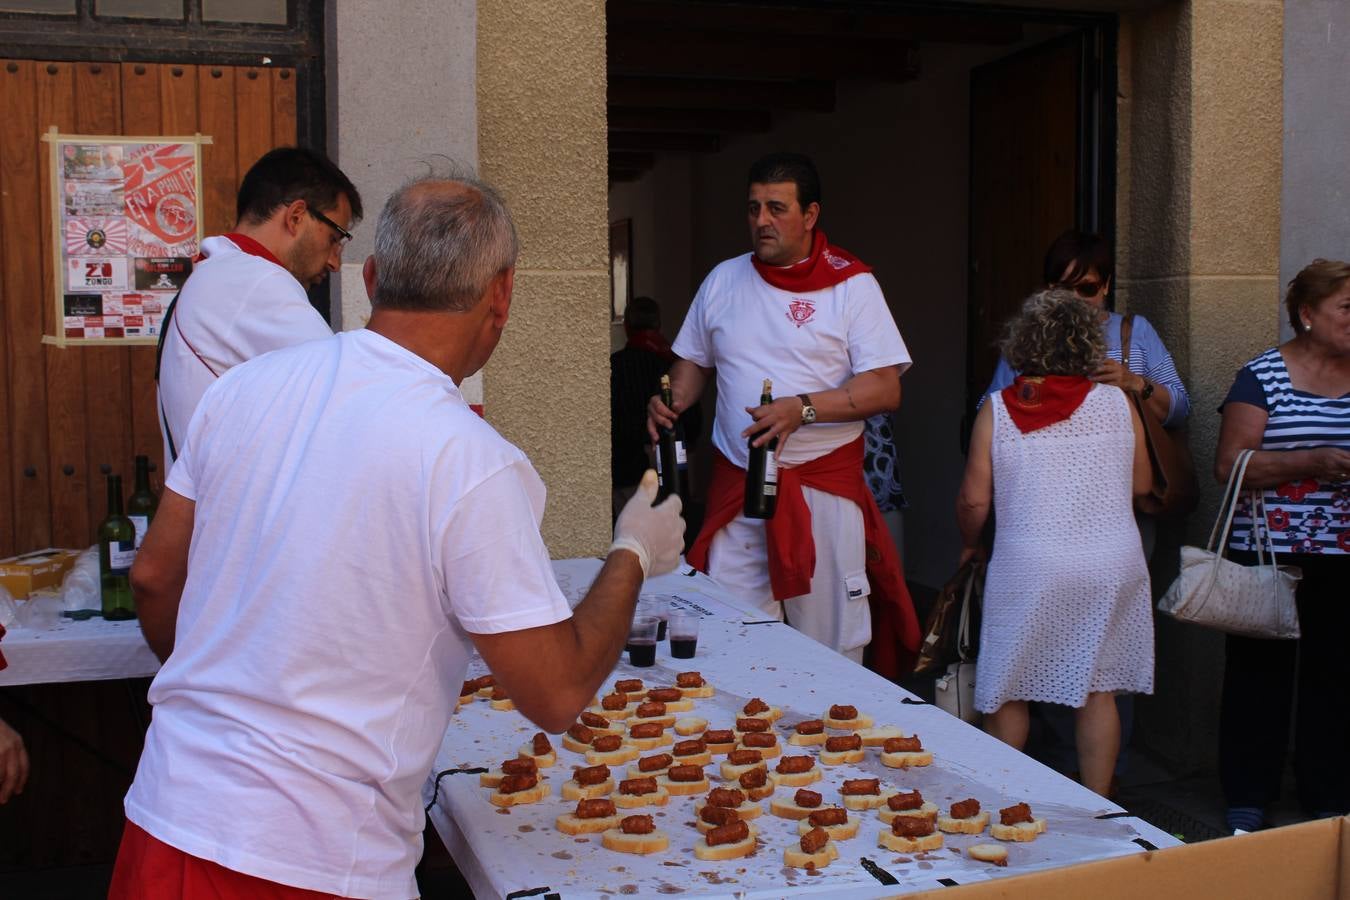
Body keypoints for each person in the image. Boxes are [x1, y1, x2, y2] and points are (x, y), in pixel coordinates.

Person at [111, 175, 685, 899]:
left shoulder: (241, 390)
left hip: (167, 816)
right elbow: (557, 691)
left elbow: (155, 575)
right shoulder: (470, 458)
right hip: (314, 861)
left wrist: (226, 698)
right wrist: (632, 550)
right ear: (502, 295)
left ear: (374, 277)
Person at [648, 152, 919, 672]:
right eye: (753, 209)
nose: (761, 221)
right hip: (740, 488)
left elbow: (885, 389)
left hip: (820, 489)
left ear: (810, 214)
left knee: (833, 644)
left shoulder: (852, 285)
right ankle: (741, 743)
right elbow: (692, 366)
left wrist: (804, 410)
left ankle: (833, 740)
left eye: (776, 208)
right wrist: (670, 400)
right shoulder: (723, 281)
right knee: (727, 634)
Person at [957, 288, 1153, 798]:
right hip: (1112, 562)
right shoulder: (1117, 401)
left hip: (1030, 564)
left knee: (1005, 688)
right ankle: (1100, 805)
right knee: (1098, 689)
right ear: (1087, 344)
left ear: (1021, 345)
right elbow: (1142, 485)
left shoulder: (998, 411)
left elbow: (975, 502)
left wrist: (969, 545)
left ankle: (1002, 802)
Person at [1215, 258, 1350, 834]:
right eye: (1347, 308)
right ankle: (1248, 795)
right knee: (1258, 678)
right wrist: (1311, 462)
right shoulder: (1262, 376)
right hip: (1268, 553)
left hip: (1344, 558)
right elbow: (1230, 465)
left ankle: (1329, 796)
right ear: (1307, 315)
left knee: (1337, 677)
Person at [156, 146, 363, 470]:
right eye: (335, 238)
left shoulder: (218, 273)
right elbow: (351, 395)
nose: (335, 261)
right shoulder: (254, 280)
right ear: (296, 216)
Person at [611, 295, 701, 517]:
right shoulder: (674, 365)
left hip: (627, 473)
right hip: (672, 469)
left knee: (634, 541)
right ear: (658, 325)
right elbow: (693, 424)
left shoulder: (615, 366)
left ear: (626, 327)